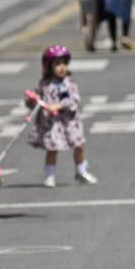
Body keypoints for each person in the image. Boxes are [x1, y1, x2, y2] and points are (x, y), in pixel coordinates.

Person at [27, 46, 97, 188]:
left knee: (78, 145)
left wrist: (58, 106)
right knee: (52, 149)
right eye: (57, 64)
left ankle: (81, 171)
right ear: (49, 66)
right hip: (52, 123)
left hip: (69, 121)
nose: (62, 67)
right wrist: (32, 100)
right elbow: (37, 100)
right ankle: (50, 175)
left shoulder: (69, 83)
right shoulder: (44, 84)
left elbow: (73, 99)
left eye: (64, 63)